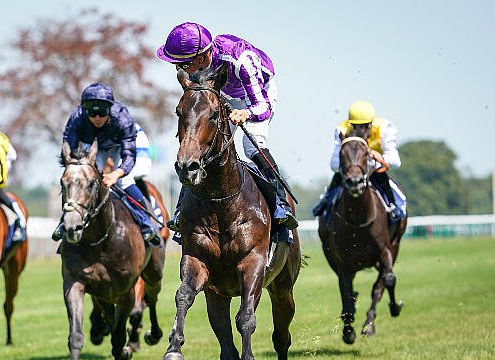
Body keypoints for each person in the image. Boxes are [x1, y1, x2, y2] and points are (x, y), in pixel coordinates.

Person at [156, 22, 298, 231]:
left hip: (256, 96)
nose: (180, 70)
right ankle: (181, 211)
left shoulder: (241, 60)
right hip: (222, 95)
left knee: (252, 146)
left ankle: (281, 205)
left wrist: (246, 113)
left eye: (183, 65)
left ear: (201, 58)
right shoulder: (200, 67)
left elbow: (263, 107)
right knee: (200, 147)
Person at [51, 83, 161, 245]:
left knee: (124, 180)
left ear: (110, 110)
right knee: (79, 178)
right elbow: (69, 148)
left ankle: (146, 223)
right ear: (84, 111)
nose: (97, 118)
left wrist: (116, 174)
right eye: (92, 113)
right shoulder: (77, 118)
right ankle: (65, 221)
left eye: (102, 113)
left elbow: (129, 155)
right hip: (97, 145)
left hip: (123, 144)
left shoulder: (121, 118)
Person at [312, 100, 406, 220]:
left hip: (375, 170)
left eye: (366, 126)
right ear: (351, 125)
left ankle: (395, 206)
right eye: (357, 127)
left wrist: (378, 158)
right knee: (336, 180)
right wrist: (347, 162)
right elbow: (334, 165)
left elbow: (396, 161)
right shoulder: (341, 130)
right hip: (350, 170)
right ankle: (325, 204)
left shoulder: (385, 128)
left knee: (399, 199)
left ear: (371, 123)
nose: (361, 131)